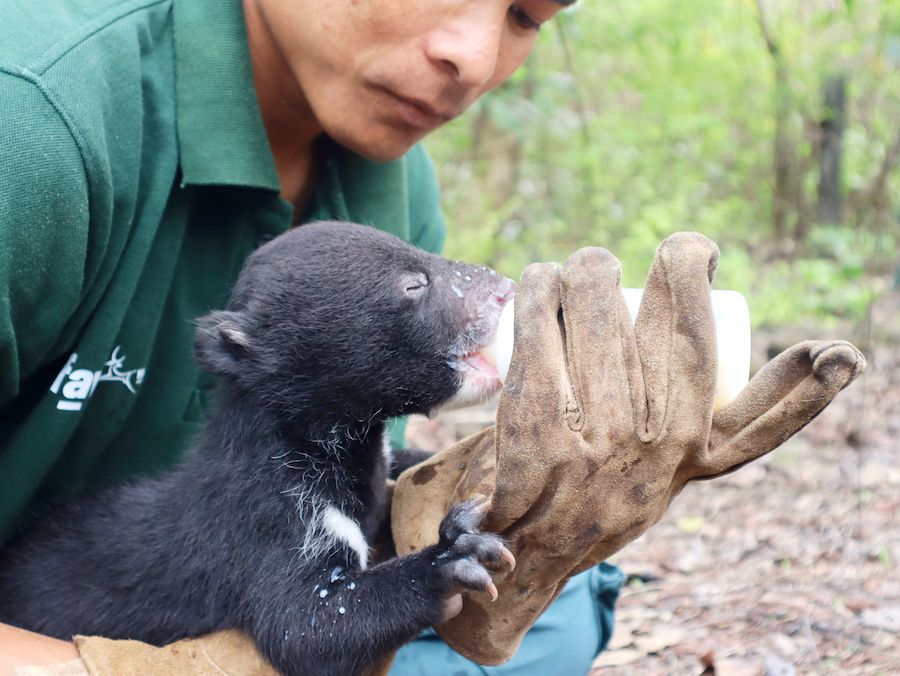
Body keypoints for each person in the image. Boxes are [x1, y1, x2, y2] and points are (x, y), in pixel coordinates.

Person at [0, 0, 622, 674]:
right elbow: (309, 618)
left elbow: (388, 433)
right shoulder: (31, 126)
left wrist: (515, 486)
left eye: (527, 16)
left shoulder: (393, 166)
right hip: (56, 625)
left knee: (559, 592)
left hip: (250, 571)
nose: (473, 59)